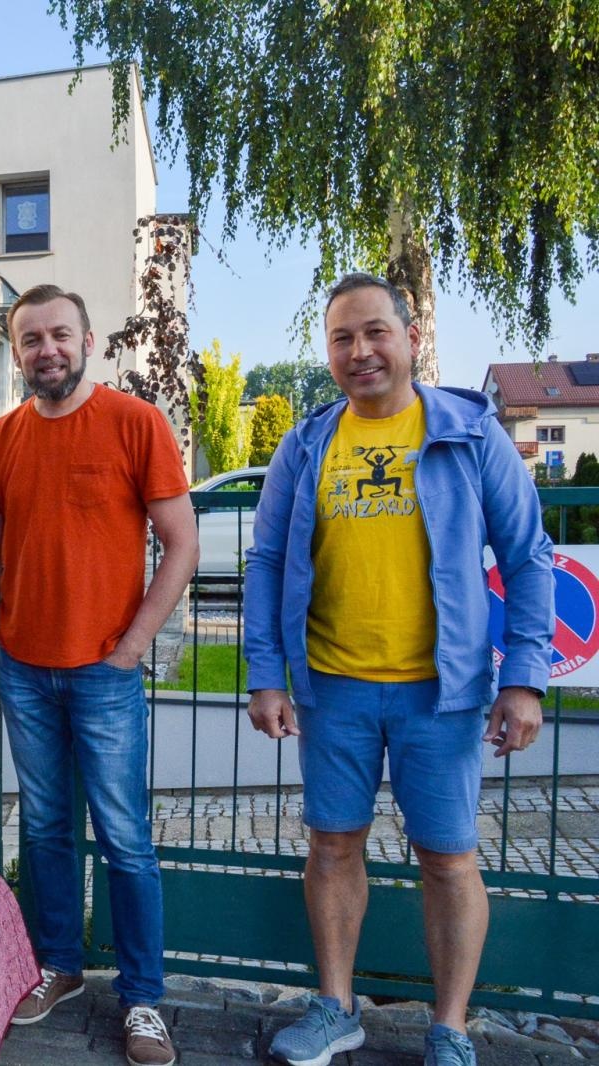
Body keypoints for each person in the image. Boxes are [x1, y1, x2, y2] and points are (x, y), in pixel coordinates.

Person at [246, 273, 553, 1066]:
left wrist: (523, 677)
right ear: (329, 351)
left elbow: (527, 559)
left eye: (376, 332)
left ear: (411, 338)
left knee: (448, 859)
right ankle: (335, 1007)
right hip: (334, 689)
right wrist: (266, 674)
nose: (360, 351)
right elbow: (270, 560)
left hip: (442, 695)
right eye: (343, 338)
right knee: (332, 848)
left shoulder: (469, 431)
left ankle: (449, 1029)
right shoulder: (308, 442)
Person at [0, 284, 193, 1066]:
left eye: (60, 334)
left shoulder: (136, 422)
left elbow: (181, 545)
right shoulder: (0, 437)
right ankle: (59, 966)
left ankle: (144, 998)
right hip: (23, 668)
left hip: (104, 672)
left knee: (125, 838)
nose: (46, 350)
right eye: (31, 339)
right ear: (15, 350)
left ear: (89, 341)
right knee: (47, 829)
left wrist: (132, 646)